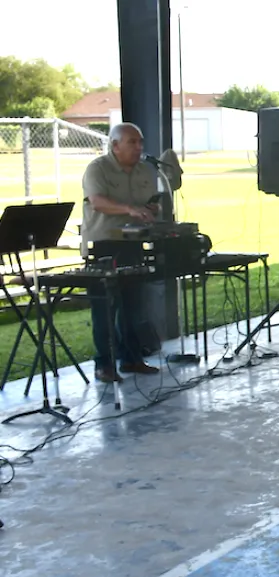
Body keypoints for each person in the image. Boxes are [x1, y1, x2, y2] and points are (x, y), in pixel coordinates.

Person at [80, 122, 162, 382]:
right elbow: (97, 201)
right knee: (104, 308)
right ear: (114, 146)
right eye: (132, 142)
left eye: (140, 142)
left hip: (132, 243)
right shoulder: (98, 168)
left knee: (133, 305)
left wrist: (150, 210)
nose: (139, 147)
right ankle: (103, 364)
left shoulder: (146, 171)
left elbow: (149, 201)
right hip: (103, 244)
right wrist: (129, 209)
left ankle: (132, 359)